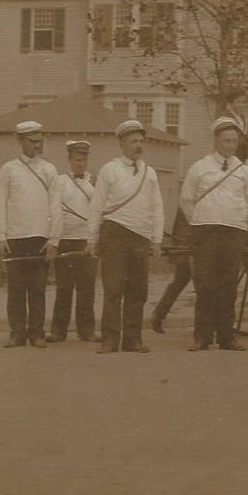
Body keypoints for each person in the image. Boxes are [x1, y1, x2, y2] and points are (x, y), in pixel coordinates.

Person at [86, 119, 164, 354]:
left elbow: (157, 207)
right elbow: (97, 205)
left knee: (138, 291)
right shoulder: (110, 170)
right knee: (113, 289)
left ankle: (133, 340)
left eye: (141, 141)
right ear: (122, 143)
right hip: (114, 234)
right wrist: (91, 238)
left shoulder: (149, 173)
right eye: (133, 141)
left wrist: (157, 239)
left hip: (140, 237)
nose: (138, 146)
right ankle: (110, 340)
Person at [180, 117, 248, 351]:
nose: (230, 145)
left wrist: (240, 221)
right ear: (215, 141)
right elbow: (186, 200)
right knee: (205, 285)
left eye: (234, 141)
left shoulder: (243, 171)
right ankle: (202, 336)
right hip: (206, 232)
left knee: (228, 285)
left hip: (233, 233)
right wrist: (201, 221)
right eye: (226, 141)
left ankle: (226, 336)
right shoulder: (200, 168)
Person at [0, 121, 61, 348]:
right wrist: (0, 236)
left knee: (38, 289)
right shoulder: (8, 169)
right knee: (16, 289)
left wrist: (53, 240)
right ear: (19, 140)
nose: (37, 146)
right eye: (32, 142)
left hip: (40, 238)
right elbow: (0, 204)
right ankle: (17, 333)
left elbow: (55, 206)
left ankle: (37, 333)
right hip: (15, 238)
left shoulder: (49, 170)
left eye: (39, 141)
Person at [47, 140, 100, 343]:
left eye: (84, 159)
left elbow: (98, 211)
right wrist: (54, 239)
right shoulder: (60, 182)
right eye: (77, 159)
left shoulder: (94, 182)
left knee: (86, 289)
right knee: (64, 288)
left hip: (86, 241)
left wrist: (93, 239)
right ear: (69, 160)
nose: (80, 163)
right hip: (65, 241)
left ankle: (86, 331)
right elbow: (54, 211)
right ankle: (58, 331)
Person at [149, 208, 192, 334]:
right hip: (189, 239)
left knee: (181, 280)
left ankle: (158, 314)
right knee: (184, 280)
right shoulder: (188, 196)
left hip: (194, 236)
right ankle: (159, 314)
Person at [223, 89, 248, 164]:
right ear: (230, 103)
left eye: (244, 102)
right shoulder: (226, 120)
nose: (242, 105)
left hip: (243, 158)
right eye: (238, 102)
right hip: (230, 158)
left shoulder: (244, 119)